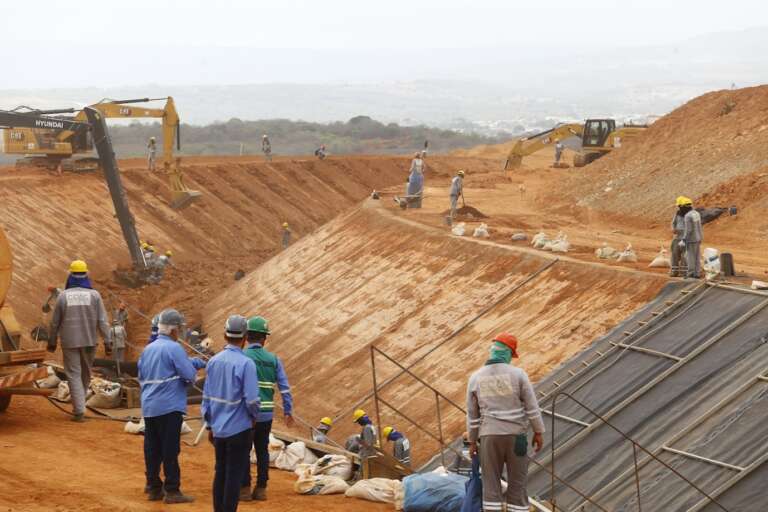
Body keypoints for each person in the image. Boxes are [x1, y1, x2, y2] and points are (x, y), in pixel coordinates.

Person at [466, 333, 545, 512]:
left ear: (492, 351)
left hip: (489, 437)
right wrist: (538, 431)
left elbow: (472, 415)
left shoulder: (475, 378)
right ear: (509, 353)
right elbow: (532, 406)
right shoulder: (518, 375)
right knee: (518, 483)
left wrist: (472, 442)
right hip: (516, 437)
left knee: (491, 483)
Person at [137, 308, 205, 504]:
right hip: (169, 406)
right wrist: (193, 365)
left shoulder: (148, 349)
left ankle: (153, 487)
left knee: (152, 447)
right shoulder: (175, 348)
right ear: (174, 330)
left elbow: (143, 375)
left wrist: (189, 361)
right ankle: (173, 490)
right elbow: (189, 376)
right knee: (170, 448)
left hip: (149, 406)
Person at [202, 315, 261, 512]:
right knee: (234, 476)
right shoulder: (246, 364)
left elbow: (207, 398)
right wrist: (254, 418)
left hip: (218, 429)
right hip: (239, 429)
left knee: (220, 472)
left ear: (224, 335)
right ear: (245, 338)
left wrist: (210, 424)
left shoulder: (213, 362)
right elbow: (252, 400)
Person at [47, 260, 111, 422]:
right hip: (90, 341)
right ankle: (79, 408)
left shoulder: (63, 296)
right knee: (85, 374)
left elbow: (55, 322)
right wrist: (108, 341)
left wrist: (52, 340)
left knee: (74, 374)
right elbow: (102, 321)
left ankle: (79, 410)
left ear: (70, 275)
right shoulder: (95, 295)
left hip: (70, 342)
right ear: (86, 275)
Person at [240, 316, 294, 502]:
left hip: (246, 414)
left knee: (244, 450)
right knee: (262, 450)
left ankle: (244, 488)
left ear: (246, 336)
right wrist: (288, 410)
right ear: (264, 338)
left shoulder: (241, 357)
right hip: (266, 414)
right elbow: (284, 387)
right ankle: (261, 488)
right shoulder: (274, 359)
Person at [678, 197, 703, 279]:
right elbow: (700, 226)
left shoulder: (687, 216)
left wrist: (684, 239)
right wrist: (701, 237)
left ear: (683, 207)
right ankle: (697, 273)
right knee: (697, 256)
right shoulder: (696, 213)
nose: (679, 209)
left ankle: (691, 274)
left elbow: (688, 230)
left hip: (691, 239)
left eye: (680, 207)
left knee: (690, 256)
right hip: (698, 238)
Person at [670, 197, 689, 277]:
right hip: (677, 237)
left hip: (687, 238)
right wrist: (673, 229)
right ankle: (674, 271)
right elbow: (673, 223)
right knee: (675, 254)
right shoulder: (677, 213)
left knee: (685, 255)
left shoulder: (691, 215)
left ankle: (683, 272)